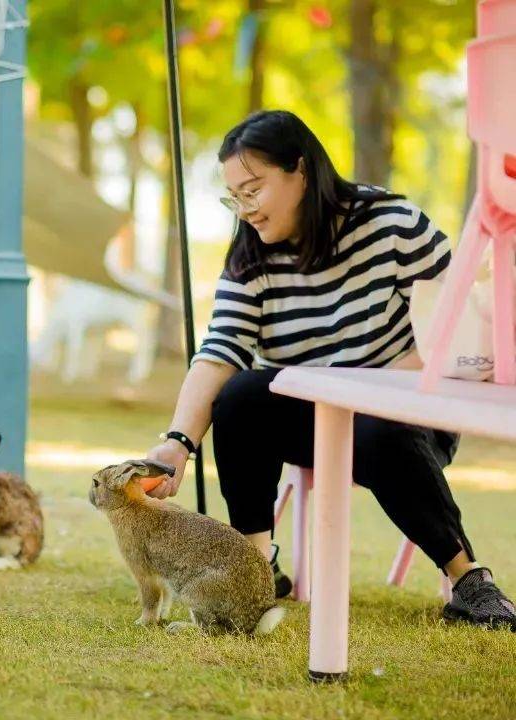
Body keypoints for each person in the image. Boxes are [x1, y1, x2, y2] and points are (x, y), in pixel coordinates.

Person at [144, 110, 515, 630]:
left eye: (254, 190)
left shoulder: (391, 223)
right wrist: (177, 443)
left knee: (380, 422)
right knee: (243, 395)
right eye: (235, 197)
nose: (244, 209)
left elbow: (457, 326)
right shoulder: (249, 258)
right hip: (313, 421)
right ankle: (253, 572)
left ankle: (469, 580)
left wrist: (374, 384)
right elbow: (219, 352)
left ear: (300, 171)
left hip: (406, 414)